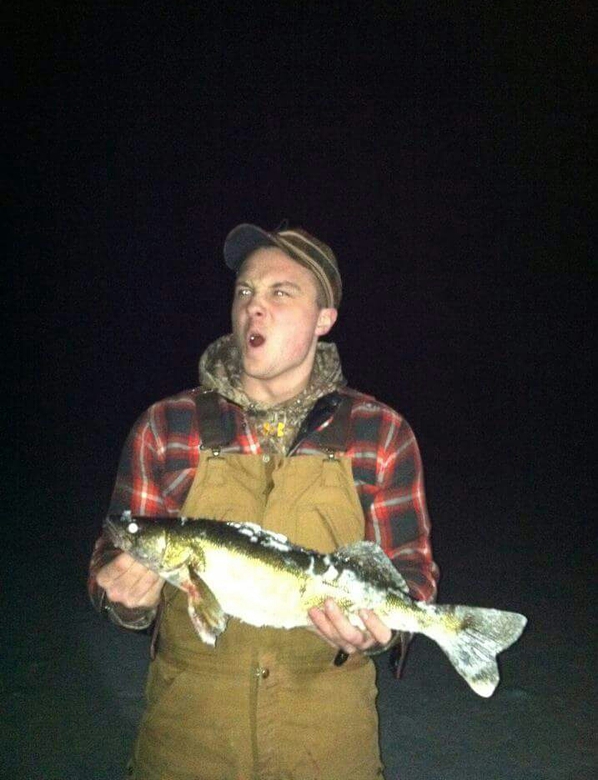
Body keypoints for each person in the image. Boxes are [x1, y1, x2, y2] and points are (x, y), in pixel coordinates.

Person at [88, 222, 439, 780]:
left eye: (281, 292)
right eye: (245, 291)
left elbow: (411, 574)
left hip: (329, 746)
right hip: (186, 741)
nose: (254, 306)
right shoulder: (165, 426)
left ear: (324, 319)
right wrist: (125, 599)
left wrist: (383, 631)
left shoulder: (381, 433)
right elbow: (108, 571)